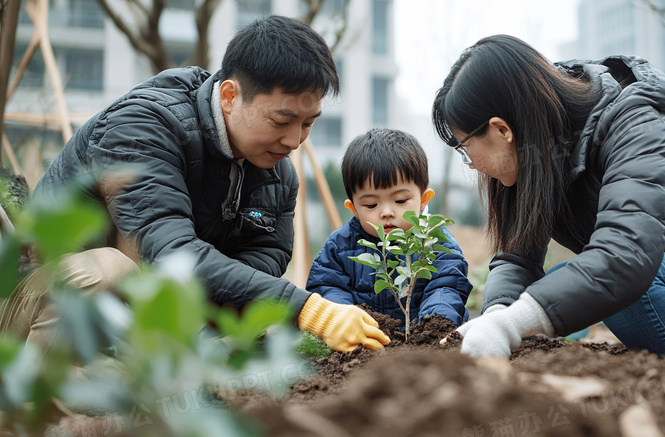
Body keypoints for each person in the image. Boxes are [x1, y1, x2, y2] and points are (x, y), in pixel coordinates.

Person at [0, 15, 390, 354]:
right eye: (281, 120)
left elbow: (266, 255)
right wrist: (309, 308)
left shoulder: (276, 172)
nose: (294, 141)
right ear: (229, 96)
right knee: (110, 269)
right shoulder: (141, 129)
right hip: (34, 304)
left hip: (142, 321)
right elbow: (169, 252)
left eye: (308, 123)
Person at [431, 34, 665, 358]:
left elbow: (624, 259)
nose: (472, 164)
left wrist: (510, 326)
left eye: (465, 148)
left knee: (618, 288)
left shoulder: (637, 130)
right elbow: (517, 259)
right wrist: (495, 316)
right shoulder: (536, 160)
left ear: (502, 130)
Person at [306, 128, 472, 327]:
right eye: (371, 205)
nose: (386, 212)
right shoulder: (340, 246)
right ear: (354, 209)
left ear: (423, 200)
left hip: (423, 343)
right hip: (363, 342)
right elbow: (327, 287)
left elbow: (446, 286)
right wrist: (345, 319)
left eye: (400, 200)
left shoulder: (435, 242)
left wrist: (434, 324)